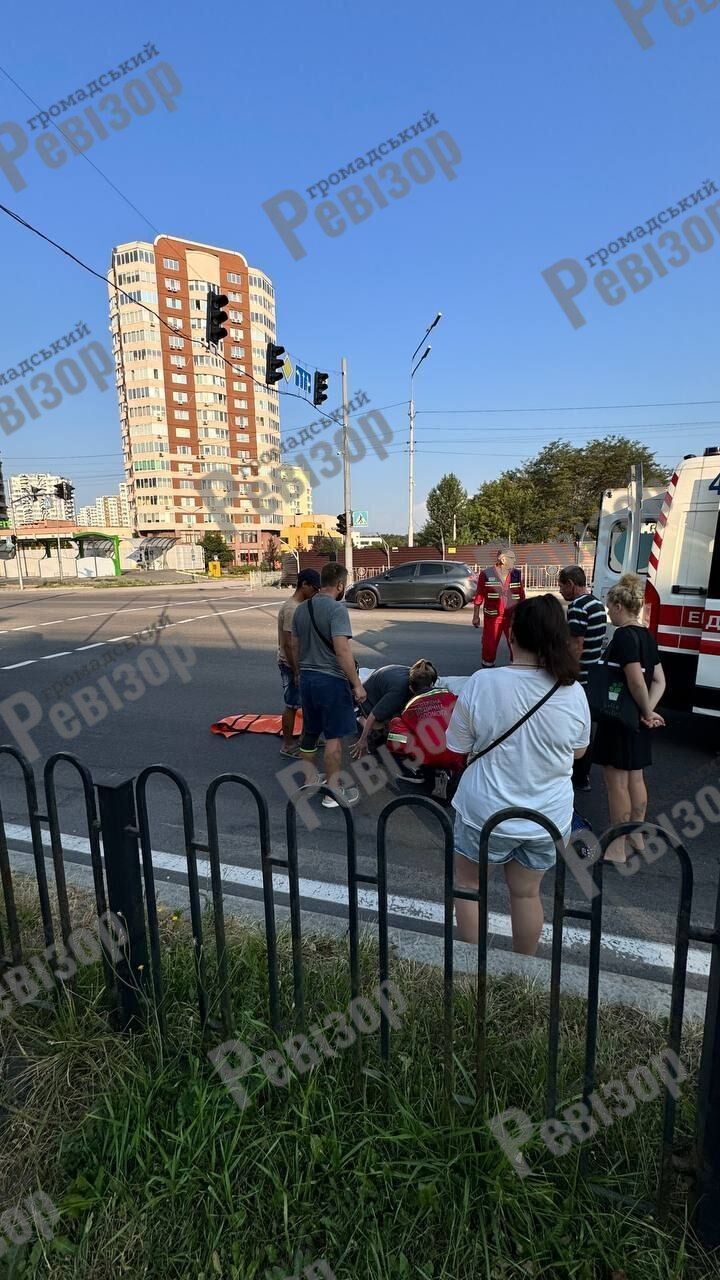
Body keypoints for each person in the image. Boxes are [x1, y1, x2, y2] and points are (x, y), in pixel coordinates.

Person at [447, 595, 590, 955]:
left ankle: (471, 971)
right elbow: (579, 752)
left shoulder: (483, 683)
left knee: (469, 886)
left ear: (511, 636)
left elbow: (456, 745)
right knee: (527, 893)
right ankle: (522, 971)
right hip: (546, 818)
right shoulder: (573, 692)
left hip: (485, 814)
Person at [593, 573, 665, 865]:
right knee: (636, 777)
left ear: (620, 606)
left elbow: (635, 680)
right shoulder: (646, 635)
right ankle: (636, 834)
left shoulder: (623, 636)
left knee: (617, 783)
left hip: (619, 718)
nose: (608, 612)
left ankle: (617, 846)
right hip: (637, 717)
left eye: (610, 606)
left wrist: (644, 711)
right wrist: (648, 711)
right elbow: (659, 680)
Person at [291, 562, 366, 808]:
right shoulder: (336, 610)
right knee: (333, 737)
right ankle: (332, 792)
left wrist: (299, 673)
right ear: (341, 585)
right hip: (331, 682)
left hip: (308, 680)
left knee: (310, 733)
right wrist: (357, 684)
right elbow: (342, 650)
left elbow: (294, 646)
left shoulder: (301, 609)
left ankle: (311, 781)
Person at [558, 565, 608, 793]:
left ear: (570, 584)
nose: (560, 591)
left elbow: (577, 644)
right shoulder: (597, 603)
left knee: (575, 727)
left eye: (561, 585)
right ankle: (584, 775)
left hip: (581, 677)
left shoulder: (577, 606)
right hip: (594, 673)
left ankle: (577, 775)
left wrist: (568, 673)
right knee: (587, 727)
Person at [350, 659, 438, 759]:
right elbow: (373, 716)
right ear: (410, 688)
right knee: (383, 728)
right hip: (368, 699)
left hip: (384, 684)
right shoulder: (398, 692)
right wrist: (362, 740)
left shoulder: (420, 676)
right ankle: (360, 717)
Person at [276, 568, 321, 757]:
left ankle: (305, 738)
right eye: (314, 588)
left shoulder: (301, 606)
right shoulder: (291, 609)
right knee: (292, 705)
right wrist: (296, 672)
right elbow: (287, 644)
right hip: (290, 664)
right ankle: (287, 745)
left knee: (306, 703)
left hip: (301, 664)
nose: (316, 592)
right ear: (304, 585)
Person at [472, 548, 525, 668]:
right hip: (492, 617)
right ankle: (488, 671)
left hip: (512, 618)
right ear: (502, 559)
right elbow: (479, 595)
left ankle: (516, 673)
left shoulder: (516, 574)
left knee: (516, 646)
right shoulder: (486, 574)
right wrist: (476, 616)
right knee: (489, 647)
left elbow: (521, 596)